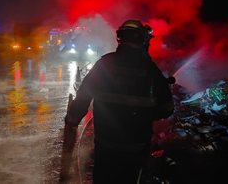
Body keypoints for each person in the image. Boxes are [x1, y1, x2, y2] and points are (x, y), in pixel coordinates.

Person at [65, 19, 174, 184]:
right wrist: (146, 114)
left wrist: (72, 120)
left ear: (120, 38)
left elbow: (83, 97)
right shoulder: (151, 70)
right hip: (136, 146)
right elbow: (167, 108)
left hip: (106, 143)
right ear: (142, 40)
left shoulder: (104, 64)